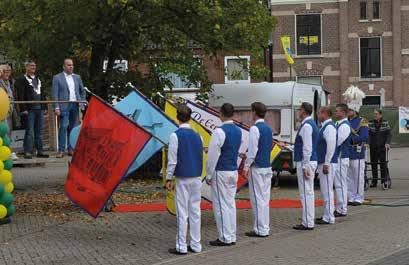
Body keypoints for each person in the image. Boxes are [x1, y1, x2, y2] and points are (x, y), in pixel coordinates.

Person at [165, 105, 203, 255]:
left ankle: (181, 246)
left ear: (177, 117)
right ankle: (196, 244)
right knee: (195, 212)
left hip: (182, 178)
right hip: (196, 177)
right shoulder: (198, 135)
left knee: (182, 212)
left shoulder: (175, 135)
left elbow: (172, 160)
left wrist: (168, 177)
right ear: (190, 117)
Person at [206, 103, 242, 246]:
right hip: (233, 169)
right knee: (230, 204)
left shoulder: (219, 131)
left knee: (220, 205)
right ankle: (231, 235)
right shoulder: (238, 131)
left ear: (221, 113)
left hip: (221, 170)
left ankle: (225, 237)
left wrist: (209, 174)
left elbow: (213, 155)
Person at [243, 102, 273, 237]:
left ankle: (260, 229)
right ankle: (264, 227)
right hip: (267, 166)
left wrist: (246, 165)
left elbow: (253, 150)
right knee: (264, 199)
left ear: (254, 112)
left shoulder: (255, 129)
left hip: (257, 167)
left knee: (257, 199)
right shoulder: (268, 128)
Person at [14, 60, 49, 159]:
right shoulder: (21, 79)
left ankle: (40, 151)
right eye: (31, 66)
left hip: (40, 108)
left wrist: (45, 107)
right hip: (29, 109)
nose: (33, 67)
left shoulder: (39, 78)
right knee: (29, 131)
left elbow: (43, 93)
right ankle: (27, 151)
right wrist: (23, 109)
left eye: (34, 65)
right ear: (26, 67)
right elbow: (20, 95)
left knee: (39, 131)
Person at [52, 58, 85, 158]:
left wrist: (82, 102)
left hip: (75, 105)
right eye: (69, 65)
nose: (71, 67)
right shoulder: (57, 78)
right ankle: (61, 150)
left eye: (72, 65)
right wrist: (56, 107)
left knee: (72, 128)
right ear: (64, 66)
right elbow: (55, 94)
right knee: (63, 127)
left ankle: (70, 148)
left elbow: (82, 91)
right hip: (63, 105)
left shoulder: (77, 77)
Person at [293, 102, 318, 231]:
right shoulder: (310, 124)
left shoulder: (307, 126)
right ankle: (308, 220)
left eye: (300, 109)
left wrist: (305, 166)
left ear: (304, 111)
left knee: (306, 193)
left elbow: (307, 148)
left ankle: (307, 222)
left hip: (305, 161)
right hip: (307, 160)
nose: (298, 111)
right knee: (308, 192)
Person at [315, 107, 337, 225]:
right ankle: (327, 214)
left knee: (327, 190)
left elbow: (331, 145)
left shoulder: (329, 127)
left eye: (319, 113)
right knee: (325, 190)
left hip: (326, 162)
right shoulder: (324, 126)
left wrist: (327, 163)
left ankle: (329, 216)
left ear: (324, 114)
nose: (318, 115)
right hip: (324, 161)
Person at [347, 106, 369, 206]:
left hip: (357, 152)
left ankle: (359, 198)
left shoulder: (362, 121)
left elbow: (364, 136)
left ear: (355, 111)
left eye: (350, 110)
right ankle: (351, 197)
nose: (348, 112)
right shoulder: (345, 121)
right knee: (349, 177)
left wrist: (353, 140)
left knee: (358, 176)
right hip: (347, 152)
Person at [333, 103, 351, 218]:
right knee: (338, 184)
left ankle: (342, 208)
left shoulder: (344, 125)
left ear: (343, 113)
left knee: (341, 184)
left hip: (341, 157)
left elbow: (337, 141)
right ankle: (340, 207)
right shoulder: (338, 124)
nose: (335, 113)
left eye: (337, 111)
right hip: (338, 157)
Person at [368, 109, 391, 189]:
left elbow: (388, 134)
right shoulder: (370, 122)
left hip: (382, 147)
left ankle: (384, 181)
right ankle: (374, 181)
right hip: (373, 147)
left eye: (376, 114)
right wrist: (368, 142)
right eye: (374, 114)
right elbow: (369, 134)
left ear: (381, 115)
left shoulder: (385, 122)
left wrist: (387, 143)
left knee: (383, 164)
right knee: (373, 164)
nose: (375, 115)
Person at [0, 64, 18, 160]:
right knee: (4, 131)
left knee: (9, 131)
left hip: (9, 110)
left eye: (8, 72)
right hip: (2, 110)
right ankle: (6, 152)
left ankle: (8, 150)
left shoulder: (10, 82)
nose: (7, 74)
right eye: (5, 72)